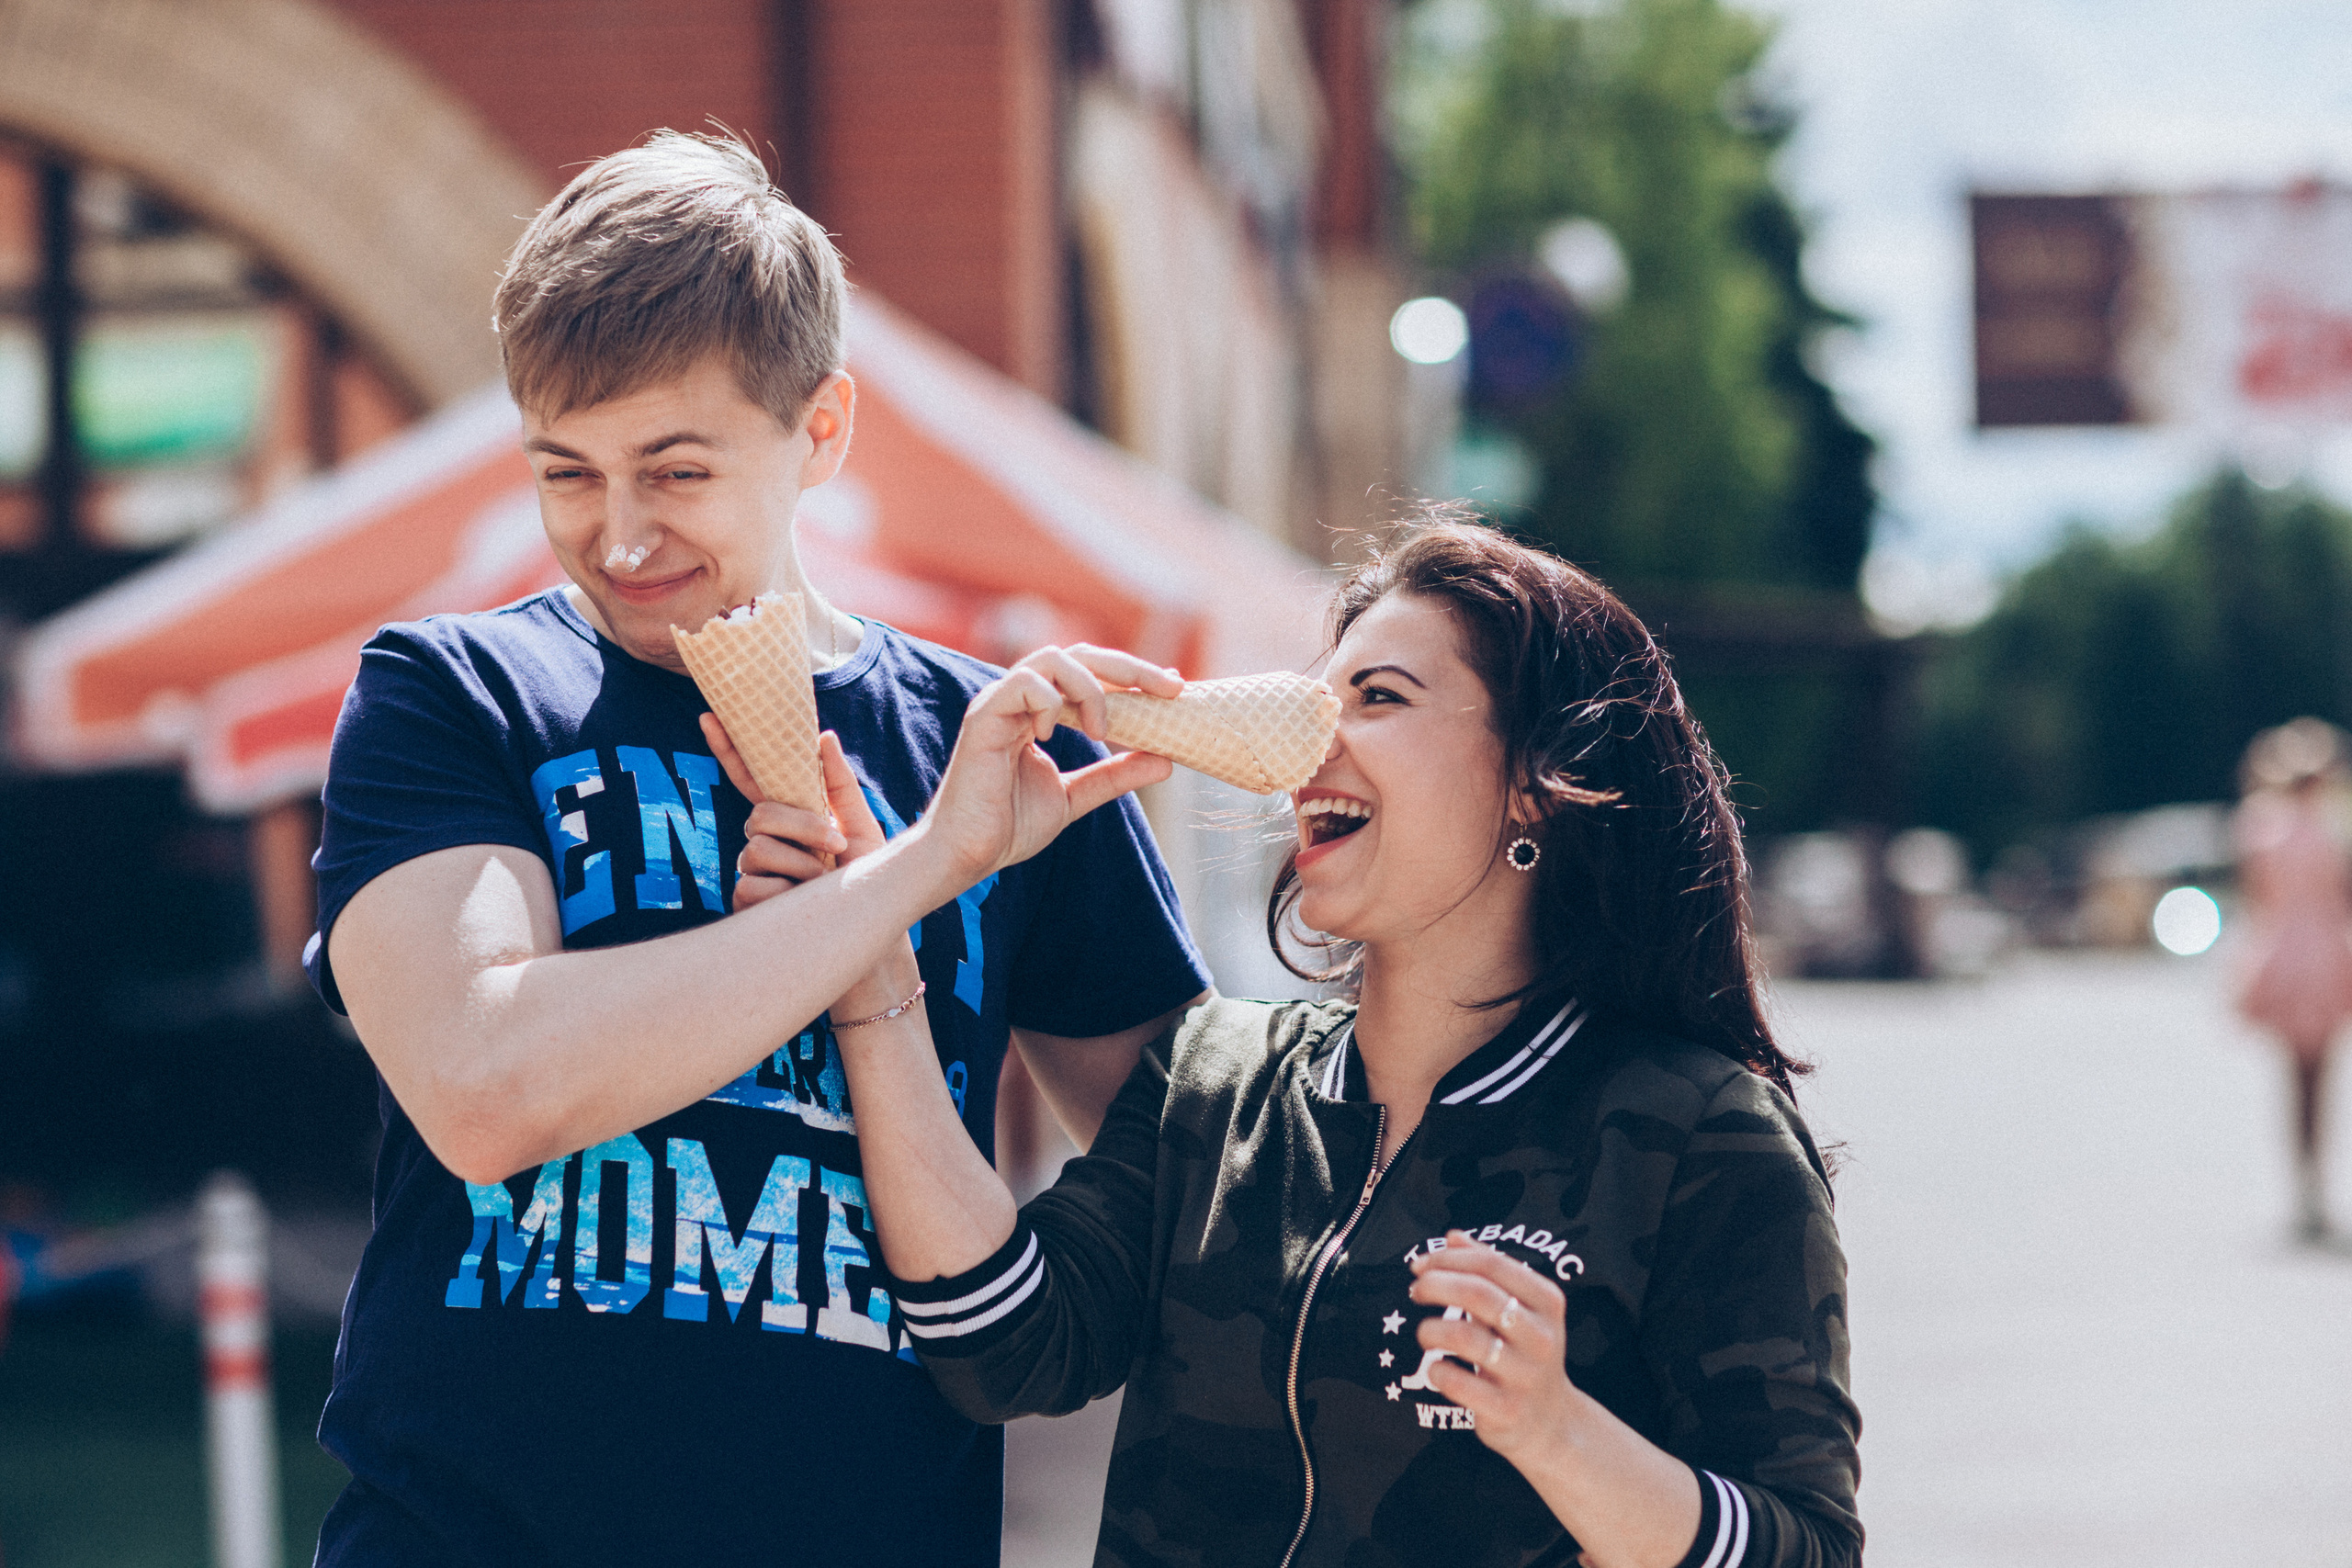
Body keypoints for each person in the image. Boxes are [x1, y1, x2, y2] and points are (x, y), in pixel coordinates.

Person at [304, 130, 1212, 1563]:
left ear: (822, 431)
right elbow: (483, 1086)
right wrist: (909, 875)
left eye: (675, 469)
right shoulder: (451, 694)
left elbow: (1198, 1174)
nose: (618, 536)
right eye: (565, 472)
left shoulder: (986, 742)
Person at [741, 519, 1863, 1567]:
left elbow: (1805, 1544)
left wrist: (1557, 1431)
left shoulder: (1696, 1134)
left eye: (1377, 698)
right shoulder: (1212, 1079)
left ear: (1533, 781)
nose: (1309, 744)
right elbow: (1001, 1342)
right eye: (1312, 701)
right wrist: (877, 965)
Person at [2233, 716, 2352, 1243]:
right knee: (2318, 1079)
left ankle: (2306, 1187)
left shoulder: (2264, 827)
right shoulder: (2332, 829)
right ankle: (2312, 1187)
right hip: (2323, 953)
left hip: (2287, 955)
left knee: (2297, 1080)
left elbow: (2257, 902)